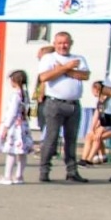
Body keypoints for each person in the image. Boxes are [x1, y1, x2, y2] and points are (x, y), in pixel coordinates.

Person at [36, 30, 89, 183]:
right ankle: (44, 171)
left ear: (71, 43)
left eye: (65, 43)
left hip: (73, 104)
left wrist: (63, 69)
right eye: (59, 43)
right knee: (51, 138)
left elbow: (85, 75)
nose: (63, 46)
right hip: (55, 104)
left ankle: (72, 172)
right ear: (55, 44)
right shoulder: (49, 58)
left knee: (71, 140)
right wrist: (66, 68)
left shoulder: (79, 58)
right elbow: (44, 77)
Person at [0, 69, 32, 185]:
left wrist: (6, 127)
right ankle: (19, 176)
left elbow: (12, 112)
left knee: (11, 151)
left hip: (14, 127)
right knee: (21, 152)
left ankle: (7, 176)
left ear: (14, 81)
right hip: (23, 125)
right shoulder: (25, 94)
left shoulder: (16, 95)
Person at [79, 80, 111, 166]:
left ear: (97, 89)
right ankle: (84, 159)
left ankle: (90, 159)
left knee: (97, 137)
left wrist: (101, 128)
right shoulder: (100, 101)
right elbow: (97, 116)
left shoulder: (109, 101)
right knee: (89, 136)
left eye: (92, 89)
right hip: (105, 125)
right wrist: (92, 129)